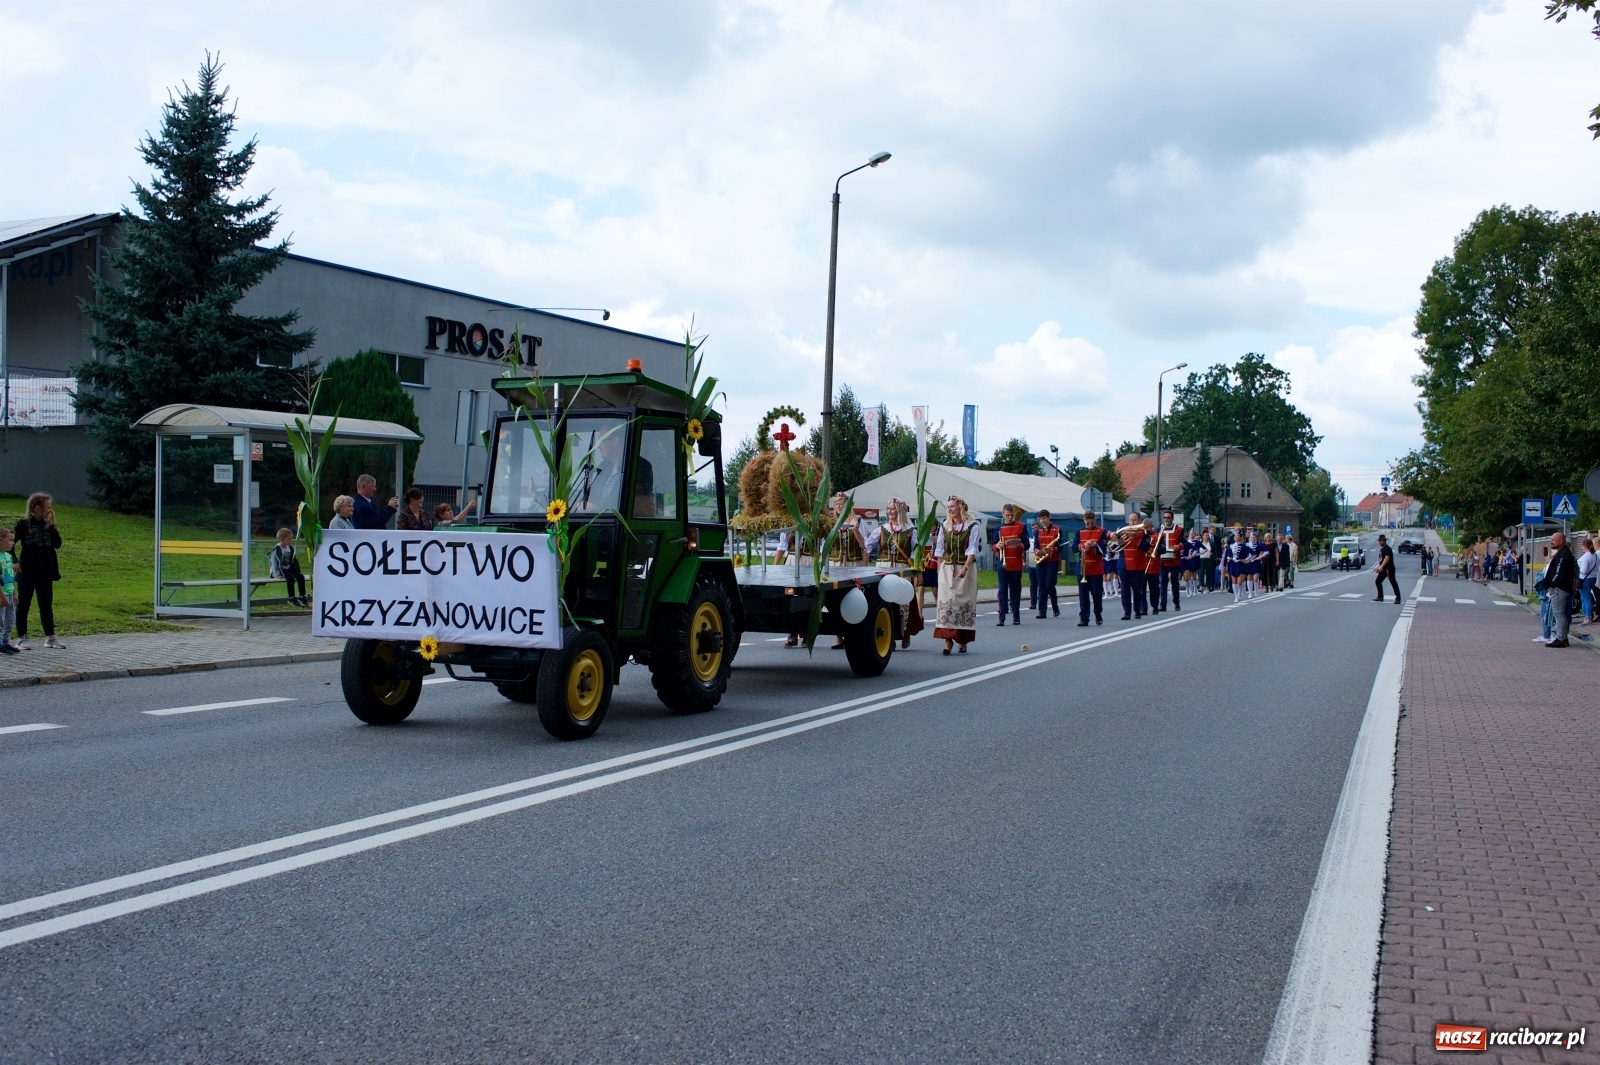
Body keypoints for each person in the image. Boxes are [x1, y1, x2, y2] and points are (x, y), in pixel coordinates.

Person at [13, 492, 64, 650]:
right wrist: (15, 560)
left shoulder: (47, 526)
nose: (50, 510)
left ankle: (50, 637)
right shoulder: (23, 525)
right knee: (24, 604)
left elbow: (57, 544)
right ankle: (21, 637)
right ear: (37, 508)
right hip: (28, 571)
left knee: (46, 604)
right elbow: (9, 544)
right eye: (47, 507)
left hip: (45, 571)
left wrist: (52, 527)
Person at [933, 495, 980, 654]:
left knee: (962, 604)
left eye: (952, 506)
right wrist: (940, 571)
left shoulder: (973, 526)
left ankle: (962, 639)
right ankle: (947, 640)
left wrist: (965, 568)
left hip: (965, 569)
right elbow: (939, 551)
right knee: (947, 604)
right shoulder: (945, 526)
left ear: (960, 507)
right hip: (947, 569)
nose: (950, 509)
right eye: (948, 507)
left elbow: (972, 550)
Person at [1537, 532, 1578, 648]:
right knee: (1560, 614)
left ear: (1561, 541)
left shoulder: (1564, 555)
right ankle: (1562, 637)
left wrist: (1550, 583)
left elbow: (1559, 572)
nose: (1551, 541)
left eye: (1554, 540)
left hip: (1559, 589)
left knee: (1559, 614)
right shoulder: (1562, 554)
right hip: (1560, 588)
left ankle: (1561, 638)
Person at [993, 504, 1027, 626]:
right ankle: (1001, 618)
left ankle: (1016, 616)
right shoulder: (998, 527)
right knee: (1002, 591)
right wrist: (997, 546)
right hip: (1002, 563)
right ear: (1003, 515)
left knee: (1015, 591)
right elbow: (993, 544)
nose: (1010, 517)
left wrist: (1018, 545)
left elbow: (1026, 544)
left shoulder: (1021, 526)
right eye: (1007, 515)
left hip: (1016, 564)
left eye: (1012, 515)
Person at [1074, 509, 1108, 626]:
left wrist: (1094, 545)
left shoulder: (1101, 531)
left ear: (1095, 520)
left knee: (1096, 594)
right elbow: (1074, 547)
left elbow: (1103, 550)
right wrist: (1082, 546)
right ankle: (1084, 618)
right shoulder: (1079, 532)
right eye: (1087, 523)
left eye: (1091, 523)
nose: (1089, 525)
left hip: (1096, 568)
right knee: (1083, 596)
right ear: (1084, 521)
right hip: (1082, 568)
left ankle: (1098, 613)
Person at [1119, 513, 1150, 620]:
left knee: (1137, 590)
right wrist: (1117, 540)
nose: (1132, 522)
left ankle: (1137, 610)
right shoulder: (1123, 532)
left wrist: (1135, 538)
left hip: (1137, 566)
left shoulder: (1144, 533)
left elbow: (1145, 547)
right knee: (1124, 590)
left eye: (1134, 520)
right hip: (1124, 565)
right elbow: (1116, 547)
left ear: (1139, 521)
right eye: (1130, 520)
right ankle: (1127, 612)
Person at [1032, 509, 1061, 619]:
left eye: (1044, 518)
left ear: (1049, 518)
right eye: (1041, 519)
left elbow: (1061, 547)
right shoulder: (1037, 531)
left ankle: (1055, 607)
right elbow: (1035, 546)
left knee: (1050, 585)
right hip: (1041, 561)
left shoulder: (1057, 530)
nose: (1043, 521)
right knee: (1042, 587)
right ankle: (1042, 611)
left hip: (1052, 562)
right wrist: (1037, 552)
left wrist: (1051, 550)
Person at [269, 528, 309, 607]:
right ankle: (292, 598)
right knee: (290, 578)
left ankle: (302, 596)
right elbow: (274, 563)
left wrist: (297, 570)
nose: (291, 540)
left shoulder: (289, 548)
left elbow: (293, 559)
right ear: (282, 539)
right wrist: (277, 573)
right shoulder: (277, 549)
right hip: (281, 570)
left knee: (300, 577)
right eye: (289, 539)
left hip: (289, 568)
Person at [1153, 510, 1182, 613]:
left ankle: (1176, 603)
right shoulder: (1159, 529)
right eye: (1165, 517)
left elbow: (1185, 543)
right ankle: (1163, 604)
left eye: (1168, 518)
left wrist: (1178, 546)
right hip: (1162, 560)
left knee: (1174, 582)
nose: (1166, 519)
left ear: (1172, 518)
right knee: (1163, 582)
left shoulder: (1179, 529)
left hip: (1174, 559)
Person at [0, 528, 17, 655]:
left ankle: (5, 641)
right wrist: (2, 597)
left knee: (10, 620)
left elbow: (11, 576)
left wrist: (14, 593)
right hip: (2, 595)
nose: (13, 543)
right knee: (0, 620)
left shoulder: (9, 556)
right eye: (10, 540)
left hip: (10, 592)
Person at [1373, 533, 1401, 604]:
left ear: (1384, 541)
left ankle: (1398, 598)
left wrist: (1381, 566)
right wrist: (1379, 567)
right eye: (1379, 541)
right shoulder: (1382, 549)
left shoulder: (1387, 549)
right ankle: (1380, 597)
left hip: (1389, 568)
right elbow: (1381, 559)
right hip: (1383, 569)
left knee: (1393, 582)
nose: (1379, 542)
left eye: (1381, 540)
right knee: (1378, 581)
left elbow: (1387, 558)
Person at [1578, 537, 1597, 624]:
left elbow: (1584, 570)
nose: (1581, 547)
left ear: (1585, 546)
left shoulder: (1586, 556)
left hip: (1584, 579)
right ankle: (1587, 615)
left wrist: (1578, 569)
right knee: (1585, 598)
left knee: (1586, 598)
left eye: (1582, 546)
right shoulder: (1594, 555)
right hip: (1593, 578)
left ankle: (1587, 617)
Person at [1182, 526, 1201, 598]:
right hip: (1180, 560)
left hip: (1189, 560)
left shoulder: (1191, 543)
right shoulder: (1180, 542)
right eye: (1190, 533)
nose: (1191, 535)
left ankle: (1192, 589)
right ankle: (1188, 589)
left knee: (1190, 576)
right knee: (1185, 577)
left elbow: (1197, 549)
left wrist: (1193, 555)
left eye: (1193, 533)